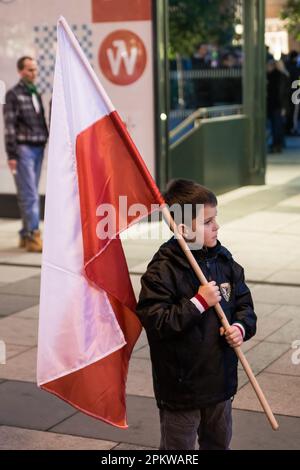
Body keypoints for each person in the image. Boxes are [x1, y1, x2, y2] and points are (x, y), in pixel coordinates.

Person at [136, 179, 257, 450]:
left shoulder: (224, 261)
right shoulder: (163, 269)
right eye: (207, 222)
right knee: (178, 448)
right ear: (181, 228)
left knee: (218, 442)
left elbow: (244, 306)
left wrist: (240, 327)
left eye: (216, 218)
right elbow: (156, 320)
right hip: (182, 387)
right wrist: (198, 302)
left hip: (220, 383)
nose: (216, 226)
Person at [3, 56, 48, 252]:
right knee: (30, 194)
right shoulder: (14, 94)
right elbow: (9, 127)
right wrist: (12, 154)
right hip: (23, 149)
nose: (34, 73)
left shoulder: (34, 93)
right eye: (30, 70)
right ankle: (33, 235)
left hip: (38, 147)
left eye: (35, 69)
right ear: (21, 71)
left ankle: (24, 233)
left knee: (28, 193)